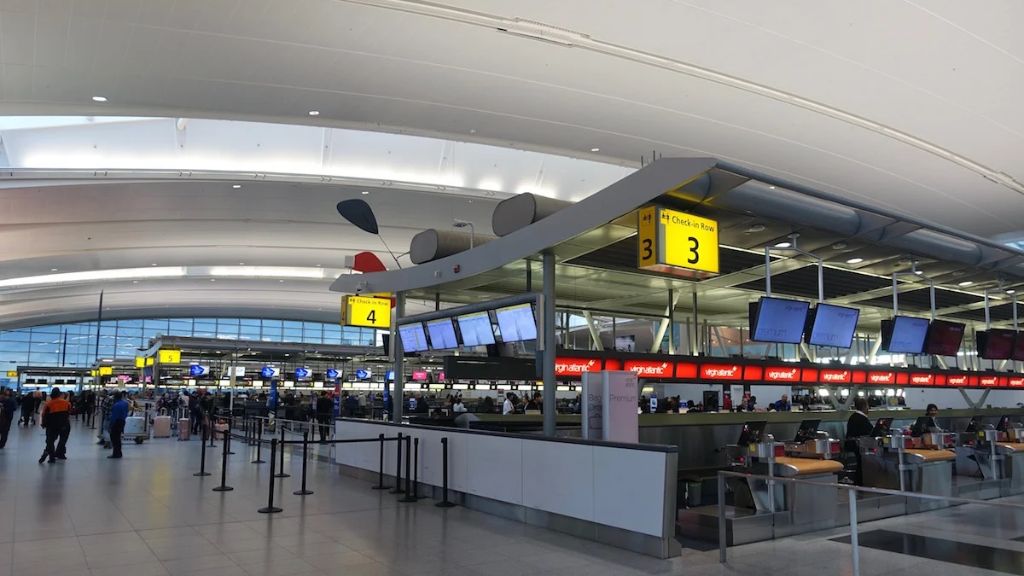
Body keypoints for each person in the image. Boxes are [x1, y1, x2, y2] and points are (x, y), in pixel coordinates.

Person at [39, 388, 71, 464]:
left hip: (52, 426)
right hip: (65, 425)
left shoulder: (48, 404)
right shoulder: (67, 403)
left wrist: (43, 424)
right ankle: (60, 454)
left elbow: (44, 415)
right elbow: (69, 413)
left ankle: (51, 457)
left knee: (50, 441)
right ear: (59, 394)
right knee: (62, 440)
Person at [108, 391, 129, 459]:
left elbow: (114, 417)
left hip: (116, 422)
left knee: (114, 438)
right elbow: (126, 412)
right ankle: (119, 453)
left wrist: (110, 425)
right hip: (122, 421)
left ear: (115, 397)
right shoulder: (125, 403)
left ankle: (115, 453)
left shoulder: (116, 405)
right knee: (118, 438)